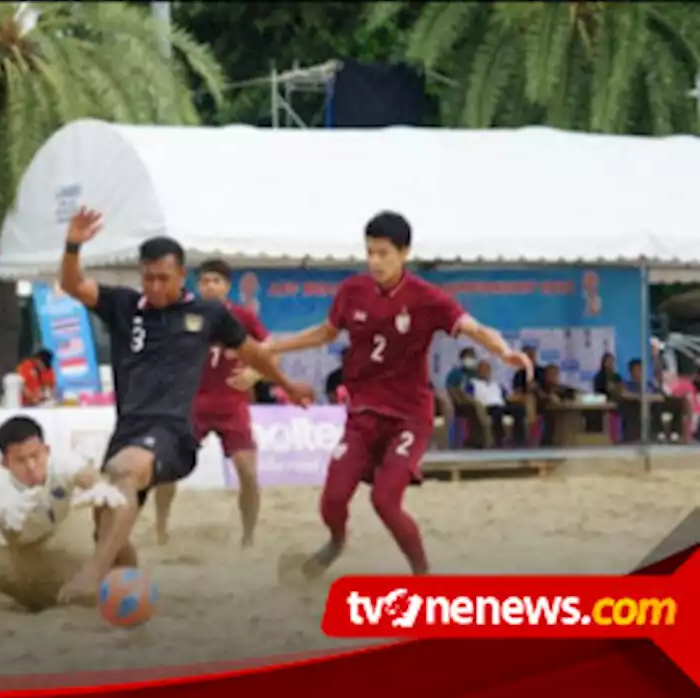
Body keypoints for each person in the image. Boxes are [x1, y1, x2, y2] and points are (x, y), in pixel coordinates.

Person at [53, 206, 314, 604]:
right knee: (106, 524)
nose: (155, 286)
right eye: (148, 278)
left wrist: (287, 385)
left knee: (126, 475)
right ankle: (128, 594)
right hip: (128, 430)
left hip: (174, 431)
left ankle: (92, 574)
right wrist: (73, 244)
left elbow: (254, 353)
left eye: (164, 278)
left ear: (180, 276)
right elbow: (73, 285)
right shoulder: (123, 305)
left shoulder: (207, 314)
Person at [267, 211, 531, 578]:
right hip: (363, 415)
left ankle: (422, 576)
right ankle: (336, 543)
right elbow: (325, 332)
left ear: (404, 253)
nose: (374, 261)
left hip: (409, 417)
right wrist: (275, 348)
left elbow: (474, 328)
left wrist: (503, 351)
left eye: (383, 253)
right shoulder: (352, 290)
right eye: (369, 252)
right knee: (332, 499)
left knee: (385, 502)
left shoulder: (427, 298)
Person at [153, 259, 273, 549]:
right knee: (167, 468)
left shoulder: (243, 317)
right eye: (205, 281)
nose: (210, 286)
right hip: (193, 405)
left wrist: (255, 373)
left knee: (248, 473)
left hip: (232, 407)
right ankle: (160, 529)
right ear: (197, 285)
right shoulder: (185, 315)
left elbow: (272, 349)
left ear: (227, 287)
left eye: (216, 281)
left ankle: (248, 538)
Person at [0, 415, 101, 612]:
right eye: (20, 460)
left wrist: (98, 487)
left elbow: (85, 475)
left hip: (61, 534)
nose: (31, 466)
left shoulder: (60, 461)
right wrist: (12, 526)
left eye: (36, 456)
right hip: (20, 550)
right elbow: (12, 536)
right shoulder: (3, 494)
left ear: (47, 451)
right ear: (5, 464)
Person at [470, 360, 526, 447]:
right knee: (497, 412)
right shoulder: (473, 383)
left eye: (487, 370)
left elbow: (506, 396)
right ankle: (499, 440)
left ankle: (519, 440)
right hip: (486, 406)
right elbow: (469, 397)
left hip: (501, 404)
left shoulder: (496, 384)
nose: (485, 372)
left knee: (518, 409)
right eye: (482, 370)